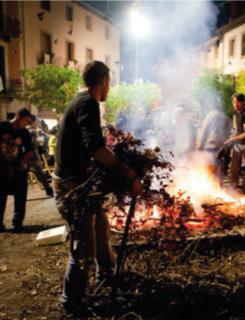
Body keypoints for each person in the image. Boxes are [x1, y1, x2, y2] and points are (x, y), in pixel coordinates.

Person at [54, 61, 144, 315]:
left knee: (101, 228)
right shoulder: (88, 103)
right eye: (110, 82)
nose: (110, 88)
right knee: (83, 248)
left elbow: (88, 148)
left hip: (81, 182)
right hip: (71, 186)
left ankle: (107, 274)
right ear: (103, 80)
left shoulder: (81, 101)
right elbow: (95, 147)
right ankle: (71, 301)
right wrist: (128, 172)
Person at [0, 108, 35, 234]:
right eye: (25, 120)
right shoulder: (0, 127)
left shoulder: (24, 133)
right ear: (18, 116)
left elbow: (29, 150)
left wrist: (24, 161)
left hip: (18, 168)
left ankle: (18, 223)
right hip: (1, 166)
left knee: (20, 196)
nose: (26, 123)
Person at [224, 93, 245, 194]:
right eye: (234, 102)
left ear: (243, 102)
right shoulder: (236, 114)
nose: (235, 104)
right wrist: (230, 137)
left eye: (238, 102)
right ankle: (233, 192)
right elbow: (237, 129)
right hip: (237, 145)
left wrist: (233, 138)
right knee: (233, 169)